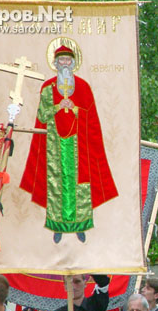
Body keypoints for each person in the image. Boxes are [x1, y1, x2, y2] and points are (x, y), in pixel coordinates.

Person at [21, 43, 118, 243]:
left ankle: (80, 226)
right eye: (61, 60)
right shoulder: (48, 88)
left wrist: (75, 109)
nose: (65, 63)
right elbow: (42, 115)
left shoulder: (83, 87)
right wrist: (58, 106)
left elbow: (91, 117)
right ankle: (57, 227)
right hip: (54, 145)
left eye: (68, 60)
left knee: (79, 185)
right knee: (57, 184)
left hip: (78, 144)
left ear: (73, 63)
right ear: (56, 63)